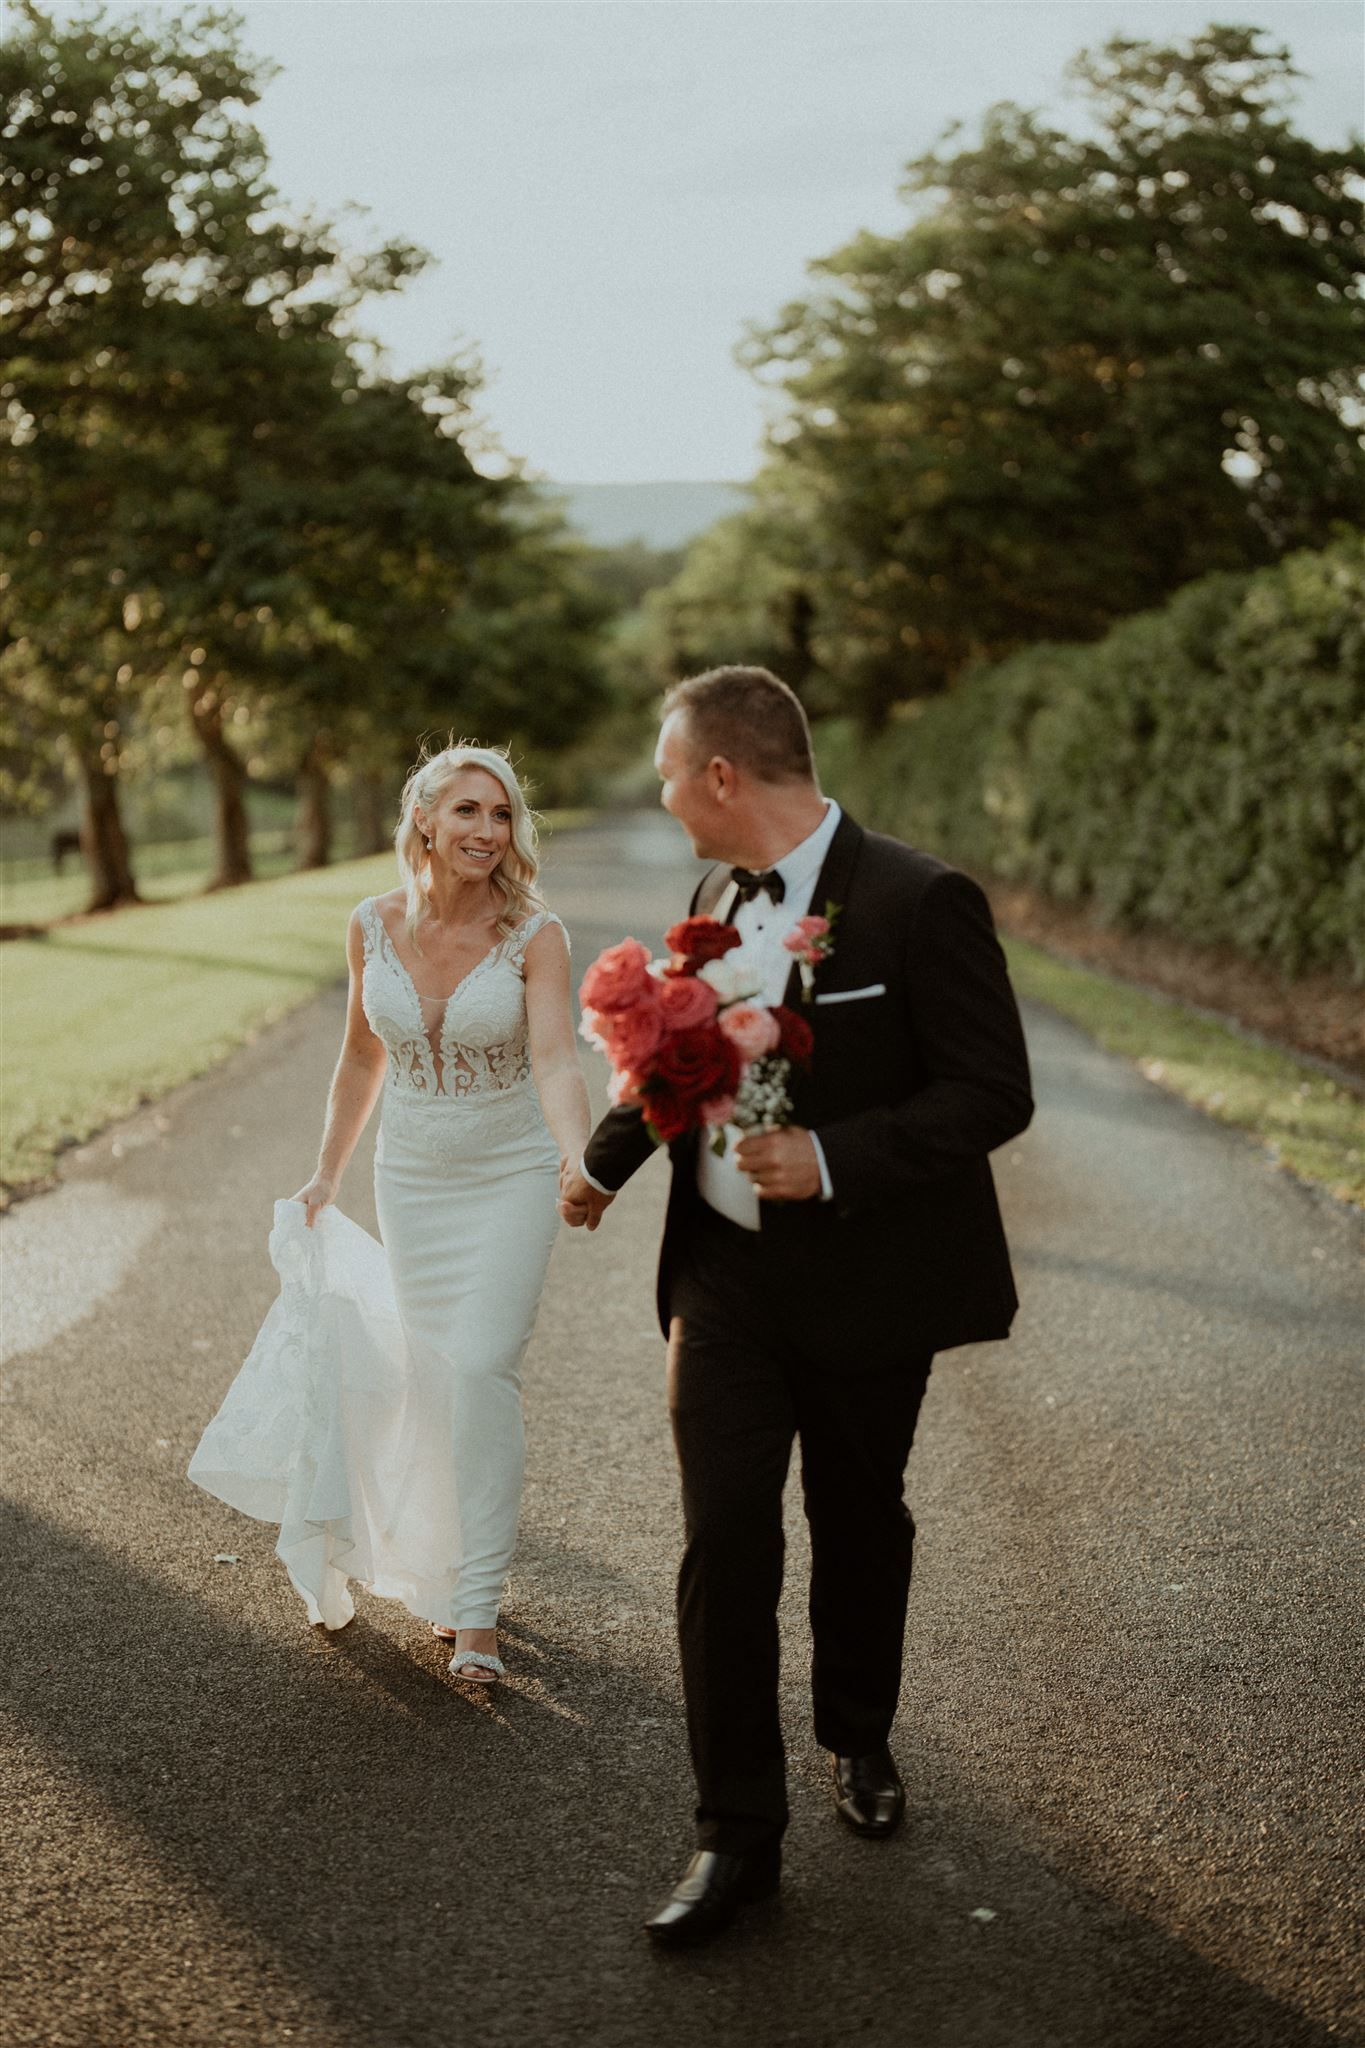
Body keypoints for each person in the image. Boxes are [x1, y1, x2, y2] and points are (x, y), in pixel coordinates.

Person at [560, 667, 1033, 1944]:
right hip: (721, 1281)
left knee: (860, 1517)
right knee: (725, 1534)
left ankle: (858, 1731)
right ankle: (734, 1837)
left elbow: (994, 1093)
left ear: (723, 775)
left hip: (868, 1279)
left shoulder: (919, 901)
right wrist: (602, 1164)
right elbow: (677, 1054)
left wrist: (832, 1158)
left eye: (668, 774)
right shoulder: (712, 898)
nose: (661, 797)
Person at [191, 742, 589, 1684]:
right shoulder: (371, 923)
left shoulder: (537, 934)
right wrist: (326, 1175)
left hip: (512, 1173)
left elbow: (556, 1063)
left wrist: (578, 1154)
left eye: (500, 816)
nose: (487, 832)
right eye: (467, 813)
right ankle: (445, 1577)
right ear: (423, 819)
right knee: (431, 1379)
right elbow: (361, 1058)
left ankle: (479, 1606)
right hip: (411, 1175)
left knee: (483, 1367)